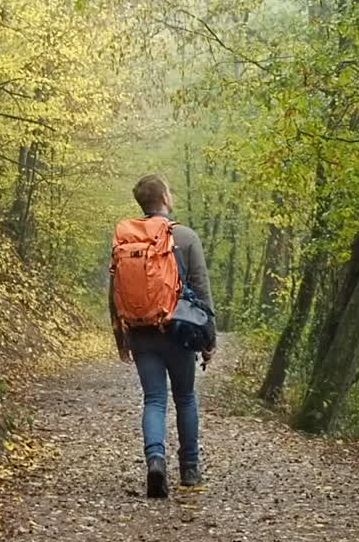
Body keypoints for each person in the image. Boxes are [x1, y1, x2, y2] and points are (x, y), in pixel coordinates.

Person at [109, 173, 216, 498]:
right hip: (179, 330)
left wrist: (120, 338)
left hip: (141, 332)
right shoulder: (184, 236)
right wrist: (209, 339)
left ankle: (155, 460)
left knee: (154, 399)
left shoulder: (127, 240)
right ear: (165, 199)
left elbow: (113, 292)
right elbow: (202, 290)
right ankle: (190, 470)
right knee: (184, 398)